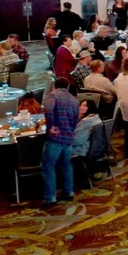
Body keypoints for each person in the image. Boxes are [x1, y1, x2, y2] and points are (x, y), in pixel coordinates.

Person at [42, 77, 79, 207]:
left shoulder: (52, 96)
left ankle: (50, 197)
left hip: (56, 138)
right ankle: (68, 191)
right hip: (68, 137)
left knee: (49, 166)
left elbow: (49, 110)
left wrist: (51, 126)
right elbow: (75, 120)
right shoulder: (74, 100)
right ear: (67, 87)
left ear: (55, 86)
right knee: (67, 165)